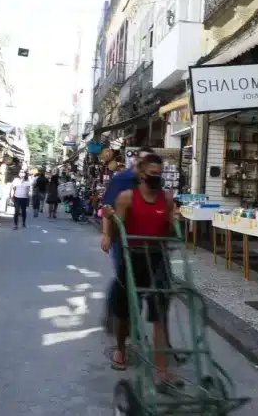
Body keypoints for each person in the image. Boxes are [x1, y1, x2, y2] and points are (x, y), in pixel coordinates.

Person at [106, 153, 179, 386]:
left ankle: (161, 369)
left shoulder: (167, 199)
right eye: (152, 174)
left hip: (158, 258)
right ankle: (120, 348)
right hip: (133, 257)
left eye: (159, 174)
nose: (156, 178)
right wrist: (110, 225)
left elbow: (170, 232)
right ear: (142, 175)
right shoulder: (127, 198)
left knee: (160, 314)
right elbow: (118, 231)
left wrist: (176, 222)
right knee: (124, 309)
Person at [100, 147, 155, 333]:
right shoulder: (121, 179)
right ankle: (118, 317)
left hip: (145, 238)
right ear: (136, 160)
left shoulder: (152, 181)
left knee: (140, 280)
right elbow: (107, 207)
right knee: (124, 278)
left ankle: (127, 319)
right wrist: (106, 234)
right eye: (143, 161)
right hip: (122, 237)